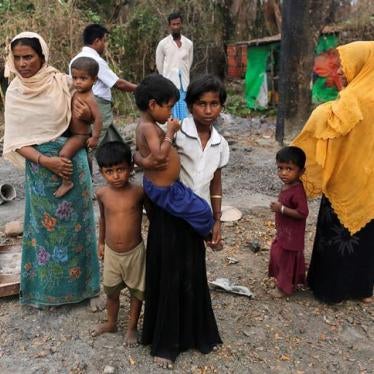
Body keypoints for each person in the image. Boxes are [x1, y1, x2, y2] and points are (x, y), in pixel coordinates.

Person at [136, 74, 229, 369]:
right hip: (169, 212)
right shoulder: (173, 130)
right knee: (167, 271)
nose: (208, 109)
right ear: (188, 106)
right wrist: (139, 160)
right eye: (201, 103)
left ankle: (194, 334)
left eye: (215, 104)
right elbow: (145, 152)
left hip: (194, 211)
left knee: (192, 271)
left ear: (221, 107)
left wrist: (216, 219)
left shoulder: (220, 144)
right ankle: (165, 341)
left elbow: (216, 183)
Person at [3, 32, 100, 307]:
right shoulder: (15, 93)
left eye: (29, 57)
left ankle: (87, 289)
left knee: (79, 229)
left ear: (43, 57)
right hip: (40, 171)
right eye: (18, 58)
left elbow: (87, 121)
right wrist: (47, 162)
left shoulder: (63, 83)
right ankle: (47, 292)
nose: (23, 63)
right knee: (44, 234)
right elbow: (16, 140)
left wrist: (87, 117)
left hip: (72, 166)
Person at [293, 41, 374, 304]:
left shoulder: (355, 98)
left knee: (336, 234)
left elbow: (329, 124)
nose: (340, 70)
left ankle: (330, 290)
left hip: (345, 180)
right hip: (369, 183)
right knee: (365, 238)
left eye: (345, 64)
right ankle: (362, 290)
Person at [134, 74, 216, 241]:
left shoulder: (146, 125)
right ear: (152, 104)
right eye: (169, 107)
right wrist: (170, 132)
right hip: (165, 190)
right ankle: (207, 236)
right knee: (203, 211)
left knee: (194, 206)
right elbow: (159, 156)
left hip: (165, 186)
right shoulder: (148, 127)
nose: (171, 112)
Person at [92, 141, 145, 346]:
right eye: (109, 171)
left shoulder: (139, 192)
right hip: (112, 252)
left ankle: (132, 328)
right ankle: (111, 322)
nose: (115, 176)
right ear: (101, 172)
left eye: (121, 169)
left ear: (130, 168)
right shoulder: (102, 194)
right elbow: (103, 220)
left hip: (135, 252)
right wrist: (101, 243)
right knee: (111, 292)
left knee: (136, 293)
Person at [70, 24, 137, 143]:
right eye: (104, 41)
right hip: (98, 104)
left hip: (79, 102)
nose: (105, 45)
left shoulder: (75, 60)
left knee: (110, 141)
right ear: (97, 41)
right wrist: (140, 89)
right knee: (98, 139)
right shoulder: (95, 61)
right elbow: (118, 83)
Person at [54, 56, 102, 198]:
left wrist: (95, 137)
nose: (78, 82)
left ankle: (67, 182)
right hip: (71, 133)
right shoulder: (76, 92)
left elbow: (99, 119)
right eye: (75, 78)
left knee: (63, 155)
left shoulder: (89, 97)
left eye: (83, 78)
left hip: (80, 136)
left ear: (94, 80)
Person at [268, 146, 308, 298]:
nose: (283, 173)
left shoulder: (297, 191)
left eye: (289, 169)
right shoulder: (288, 185)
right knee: (278, 254)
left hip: (292, 235)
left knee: (286, 260)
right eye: (280, 168)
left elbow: (303, 213)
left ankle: (285, 289)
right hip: (285, 232)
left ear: (301, 171)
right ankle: (287, 281)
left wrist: (281, 209)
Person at [156, 12, 193, 120]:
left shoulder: (188, 43)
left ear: (181, 24)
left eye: (178, 24)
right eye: (173, 24)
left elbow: (189, 63)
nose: (176, 27)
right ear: (169, 26)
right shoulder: (163, 44)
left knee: (185, 109)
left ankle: (184, 130)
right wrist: (164, 80)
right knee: (171, 109)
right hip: (170, 83)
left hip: (184, 84)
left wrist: (183, 73)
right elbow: (159, 65)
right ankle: (173, 133)